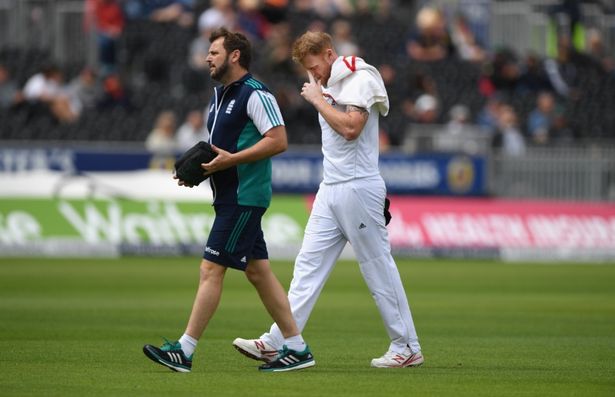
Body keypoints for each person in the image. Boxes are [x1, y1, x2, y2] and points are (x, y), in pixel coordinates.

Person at [233, 31, 423, 368]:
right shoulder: (329, 82)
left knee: (377, 267)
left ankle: (406, 346)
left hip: (358, 187)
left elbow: (352, 128)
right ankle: (278, 340)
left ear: (330, 53)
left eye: (315, 65)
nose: (314, 73)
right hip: (330, 187)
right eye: (308, 68)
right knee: (306, 267)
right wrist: (321, 90)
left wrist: (318, 99)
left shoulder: (360, 77)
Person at [143, 27, 314, 373]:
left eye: (215, 52)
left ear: (235, 56)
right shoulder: (218, 95)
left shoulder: (256, 93)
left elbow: (278, 141)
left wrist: (230, 162)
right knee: (258, 271)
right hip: (229, 196)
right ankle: (296, 348)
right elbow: (220, 149)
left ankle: (184, 350)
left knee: (210, 269)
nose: (207, 57)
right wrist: (203, 170)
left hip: (244, 197)